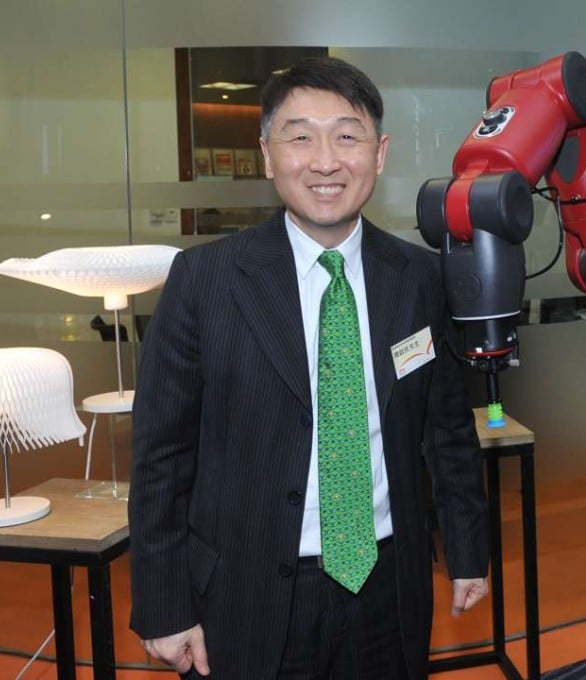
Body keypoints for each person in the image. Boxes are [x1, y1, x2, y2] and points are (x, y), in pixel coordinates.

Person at [128, 56, 490, 679]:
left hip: (388, 587)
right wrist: (164, 605)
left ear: (379, 154)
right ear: (268, 155)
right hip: (246, 596)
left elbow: (448, 428)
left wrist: (467, 551)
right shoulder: (205, 280)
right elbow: (161, 457)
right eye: (300, 137)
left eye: (348, 135)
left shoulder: (419, 279)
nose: (326, 160)